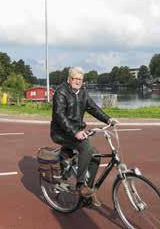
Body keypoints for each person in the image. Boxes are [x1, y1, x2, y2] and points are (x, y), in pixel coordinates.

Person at [50, 67, 118, 207]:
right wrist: (75, 131)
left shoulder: (83, 93)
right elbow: (60, 116)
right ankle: (81, 185)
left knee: (96, 157)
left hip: (75, 132)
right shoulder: (61, 92)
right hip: (61, 132)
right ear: (69, 79)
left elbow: (93, 108)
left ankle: (88, 192)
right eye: (75, 79)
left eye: (80, 79)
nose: (78, 82)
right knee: (86, 148)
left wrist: (108, 119)